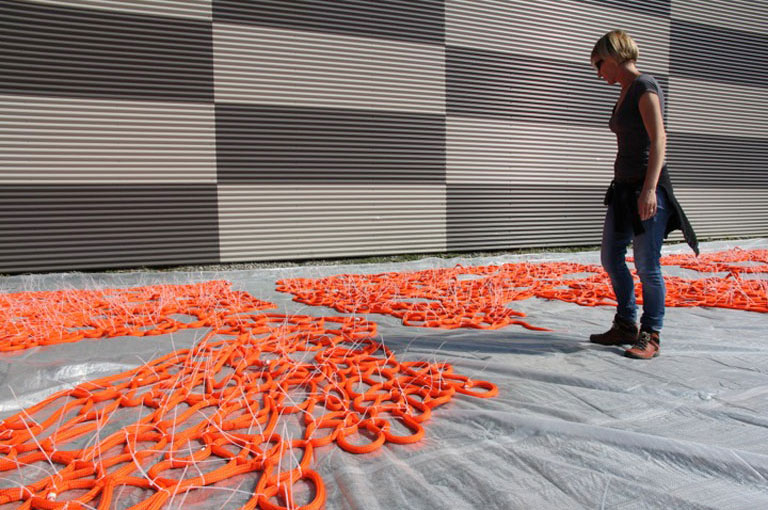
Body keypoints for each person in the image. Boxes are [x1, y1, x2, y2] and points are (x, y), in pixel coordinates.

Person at [588, 30, 698, 359]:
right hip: (622, 190)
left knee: (647, 264)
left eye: (599, 64)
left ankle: (651, 334)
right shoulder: (624, 91)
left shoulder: (644, 86)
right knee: (611, 257)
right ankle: (626, 324)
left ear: (614, 55)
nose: (598, 73)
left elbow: (659, 139)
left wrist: (649, 190)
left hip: (646, 188)